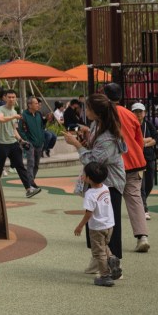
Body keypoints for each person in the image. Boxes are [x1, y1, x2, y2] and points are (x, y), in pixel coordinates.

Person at [63, 94, 126, 274]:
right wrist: (85, 141)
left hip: (110, 184)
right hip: (98, 182)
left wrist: (77, 144)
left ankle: (114, 263)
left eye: (88, 108)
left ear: (97, 112)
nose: (85, 111)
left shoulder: (107, 136)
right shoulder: (97, 126)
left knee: (109, 224)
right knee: (93, 221)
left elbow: (93, 161)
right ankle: (97, 258)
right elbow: (94, 152)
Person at [103, 82, 150, 253]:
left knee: (109, 201)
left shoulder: (104, 114)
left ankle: (109, 237)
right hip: (135, 162)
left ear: (105, 96)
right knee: (135, 199)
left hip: (114, 165)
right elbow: (139, 141)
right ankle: (142, 236)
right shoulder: (130, 115)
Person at [74, 161, 116, 287]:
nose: (82, 175)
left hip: (97, 227)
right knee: (104, 246)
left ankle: (105, 276)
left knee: (98, 252)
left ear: (89, 178)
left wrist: (80, 226)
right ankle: (112, 260)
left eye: (84, 174)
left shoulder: (90, 194)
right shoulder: (105, 188)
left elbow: (89, 213)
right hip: (109, 225)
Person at [0, 90, 41, 197]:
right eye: (9, 97)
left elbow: (14, 129)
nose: (11, 99)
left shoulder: (14, 111)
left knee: (20, 166)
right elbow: (1, 119)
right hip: (2, 144)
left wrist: (21, 140)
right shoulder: (0, 109)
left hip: (13, 143)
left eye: (13, 97)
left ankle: (28, 189)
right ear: (5, 98)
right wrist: (14, 117)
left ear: (16, 98)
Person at [132, 103, 158, 217]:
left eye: (140, 111)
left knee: (149, 184)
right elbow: (132, 141)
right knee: (141, 185)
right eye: (136, 111)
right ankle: (144, 209)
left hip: (149, 157)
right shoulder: (131, 125)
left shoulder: (148, 124)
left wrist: (145, 143)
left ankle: (140, 203)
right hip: (137, 159)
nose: (138, 114)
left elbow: (156, 138)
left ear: (144, 113)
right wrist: (147, 139)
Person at [19, 96, 47, 182]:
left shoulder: (38, 114)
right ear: (30, 105)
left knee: (36, 164)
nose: (38, 105)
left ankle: (31, 180)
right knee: (31, 163)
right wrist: (27, 141)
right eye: (36, 103)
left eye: (38, 103)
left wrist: (42, 139)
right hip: (30, 144)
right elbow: (21, 130)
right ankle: (30, 182)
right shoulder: (24, 116)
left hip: (39, 143)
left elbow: (42, 127)